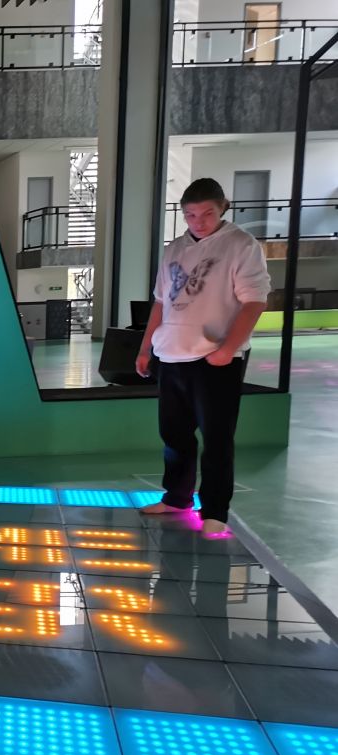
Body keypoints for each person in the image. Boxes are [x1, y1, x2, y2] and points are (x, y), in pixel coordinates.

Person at [135, 178, 271, 537]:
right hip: (171, 354)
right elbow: (161, 301)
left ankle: (214, 510)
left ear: (223, 207)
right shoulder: (175, 248)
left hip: (214, 359)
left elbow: (255, 301)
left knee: (217, 437)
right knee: (174, 434)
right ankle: (177, 497)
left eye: (207, 213)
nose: (198, 221)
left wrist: (227, 349)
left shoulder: (241, 245)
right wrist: (146, 347)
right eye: (191, 215)